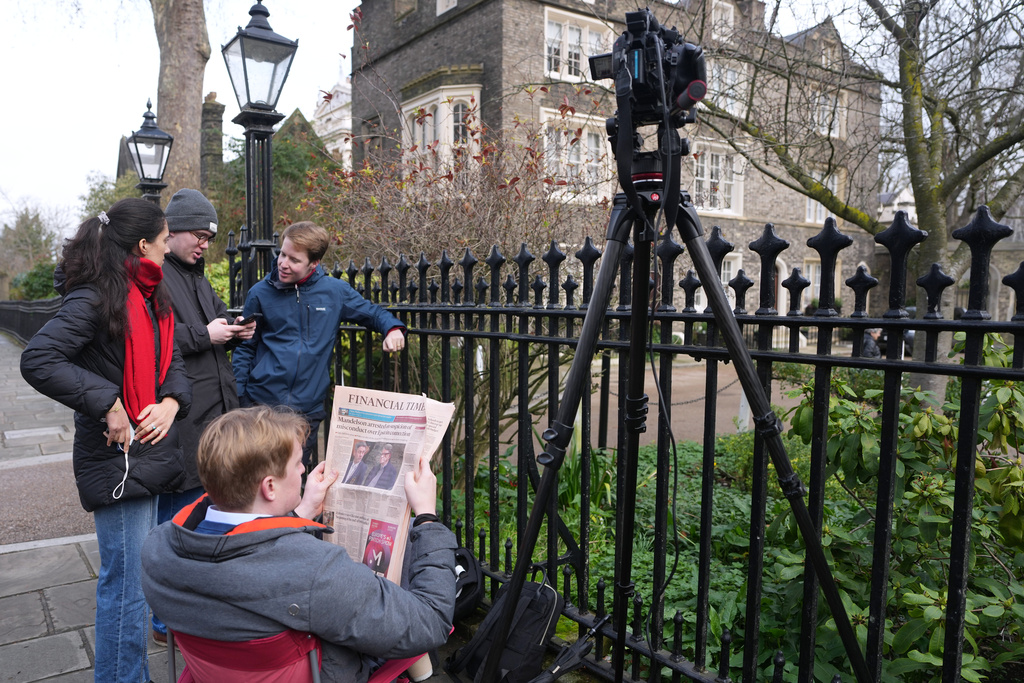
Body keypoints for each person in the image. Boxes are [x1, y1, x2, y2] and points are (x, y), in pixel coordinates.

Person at [140, 406, 456, 683]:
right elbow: (430, 623)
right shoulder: (316, 572)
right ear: (269, 486)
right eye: (296, 464)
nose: (304, 469)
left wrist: (299, 513)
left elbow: (248, 559)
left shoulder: (159, 549)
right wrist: (427, 517)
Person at [20, 198, 192, 683]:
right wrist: (108, 402)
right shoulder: (96, 297)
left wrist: (171, 403)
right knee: (127, 588)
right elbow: (39, 360)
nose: (166, 252)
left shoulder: (151, 293)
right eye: (163, 243)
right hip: (116, 458)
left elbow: (172, 360)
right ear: (143, 245)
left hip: (153, 450)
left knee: (141, 580)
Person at [150, 188, 256, 643]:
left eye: (210, 237)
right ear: (170, 231)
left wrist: (234, 333)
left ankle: (186, 612)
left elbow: (209, 330)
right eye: (198, 234)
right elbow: (149, 344)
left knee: (200, 517)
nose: (205, 244)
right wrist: (205, 334)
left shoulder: (196, 276)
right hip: (182, 420)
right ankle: (162, 622)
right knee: (176, 523)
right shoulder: (155, 278)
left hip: (213, 416)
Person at [232, 221, 407, 468]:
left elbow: (372, 313)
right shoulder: (260, 293)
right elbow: (245, 346)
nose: (283, 263)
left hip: (307, 409)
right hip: (262, 406)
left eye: (294, 259)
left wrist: (393, 328)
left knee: (294, 477)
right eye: (282, 254)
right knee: (258, 476)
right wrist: (240, 398)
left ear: (313, 263)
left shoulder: (334, 292)